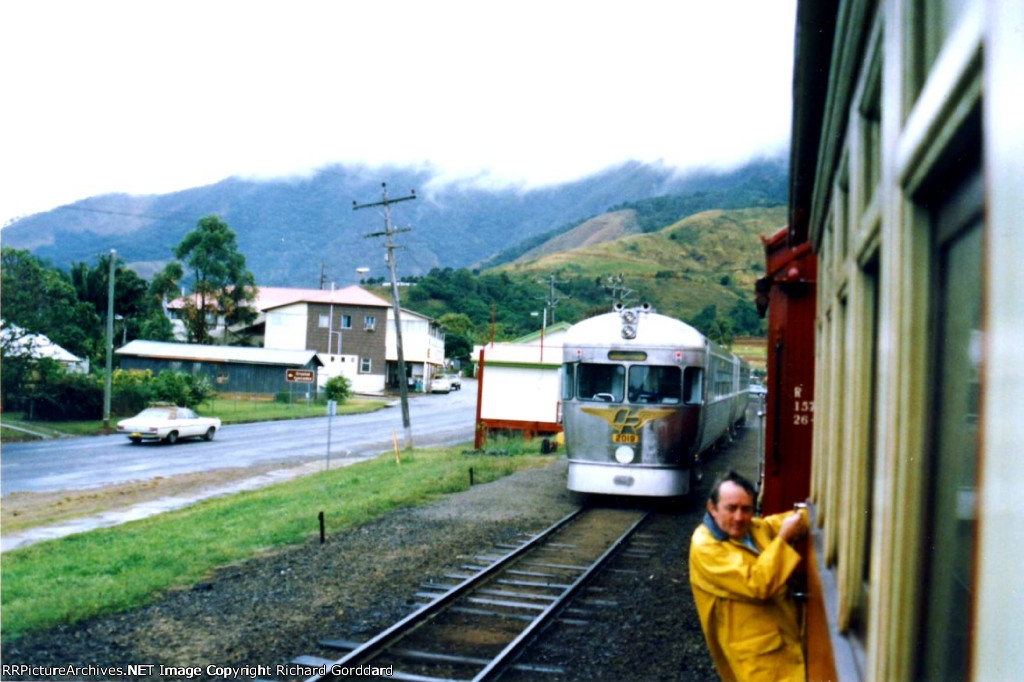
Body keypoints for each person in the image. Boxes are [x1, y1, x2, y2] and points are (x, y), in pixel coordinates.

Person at [689, 470, 808, 682]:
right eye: (731, 509)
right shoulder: (705, 546)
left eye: (746, 509)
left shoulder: (752, 529)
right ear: (712, 509)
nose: (739, 517)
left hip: (780, 641)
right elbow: (757, 583)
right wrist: (783, 538)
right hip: (756, 656)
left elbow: (776, 522)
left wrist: (813, 514)